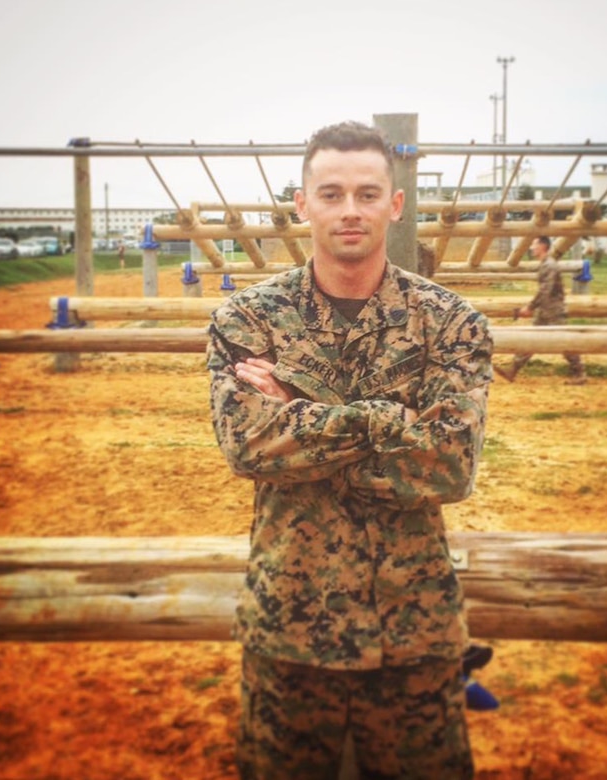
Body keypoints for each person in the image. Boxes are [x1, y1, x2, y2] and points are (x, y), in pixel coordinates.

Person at [207, 120, 494, 779]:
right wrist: (394, 422)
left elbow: (449, 465)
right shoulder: (248, 320)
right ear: (301, 203)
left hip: (413, 635)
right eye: (331, 193)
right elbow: (249, 445)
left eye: (368, 194)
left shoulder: (451, 322)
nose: (350, 210)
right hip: (290, 630)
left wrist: (302, 413)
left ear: (394, 206)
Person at [494, 235, 587, 385]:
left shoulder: (549, 265)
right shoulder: (545, 264)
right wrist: (533, 307)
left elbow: (546, 290)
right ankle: (513, 370)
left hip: (554, 311)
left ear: (543, 246)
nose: (531, 248)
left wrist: (530, 307)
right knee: (531, 340)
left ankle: (579, 373)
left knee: (564, 341)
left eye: (534, 244)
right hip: (545, 310)